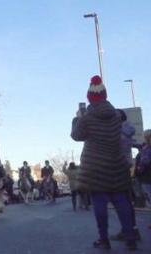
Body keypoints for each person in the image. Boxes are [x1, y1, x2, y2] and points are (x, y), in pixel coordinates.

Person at [71, 75, 136, 250]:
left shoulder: (87, 117)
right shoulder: (115, 115)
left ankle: (104, 239)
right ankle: (130, 237)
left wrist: (77, 118)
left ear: (89, 98)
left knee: (99, 202)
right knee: (121, 200)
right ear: (105, 95)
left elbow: (77, 136)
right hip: (116, 163)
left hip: (95, 166)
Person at [110, 110, 141, 241]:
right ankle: (131, 229)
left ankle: (129, 231)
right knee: (124, 200)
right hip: (123, 166)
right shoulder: (125, 129)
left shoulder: (120, 130)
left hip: (119, 167)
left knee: (121, 200)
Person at [135, 129, 151, 229]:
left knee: (150, 198)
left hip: (147, 177)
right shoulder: (145, 147)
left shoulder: (147, 149)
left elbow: (144, 162)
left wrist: (138, 170)